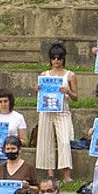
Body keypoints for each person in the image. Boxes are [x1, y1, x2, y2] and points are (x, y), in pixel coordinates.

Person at [36, 43, 78, 183]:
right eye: (53, 58)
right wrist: (38, 89)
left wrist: (68, 92)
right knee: (46, 140)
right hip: (47, 111)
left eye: (59, 58)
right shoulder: (44, 75)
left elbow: (76, 97)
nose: (56, 61)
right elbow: (40, 93)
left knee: (64, 141)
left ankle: (66, 174)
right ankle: (50, 174)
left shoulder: (70, 75)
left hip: (63, 110)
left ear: (63, 59)